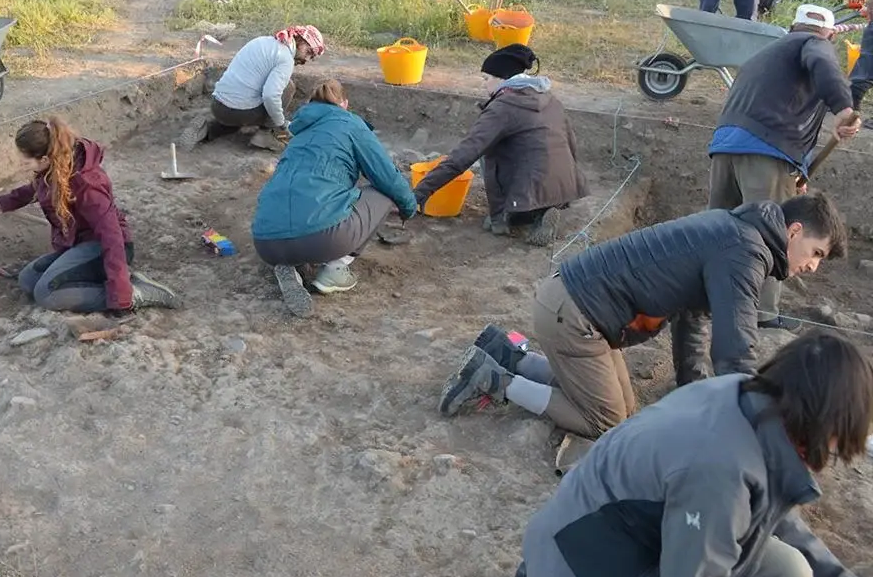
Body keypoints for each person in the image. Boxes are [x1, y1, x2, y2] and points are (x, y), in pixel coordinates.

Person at [507, 330, 873, 577]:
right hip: (588, 574)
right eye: (838, 443)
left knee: (793, 571)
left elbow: (771, 510)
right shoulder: (722, 469)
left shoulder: (749, 398)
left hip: (611, 529)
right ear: (823, 424)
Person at [438, 193, 846, 440]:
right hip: (576, 317)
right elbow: (735, 350)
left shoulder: (737, 233)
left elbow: (693, 319)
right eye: (816, 253)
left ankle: (510, 355)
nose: (813, 266)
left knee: (625, 409)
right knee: (606, 422)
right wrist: (753, 423)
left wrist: (692, 389)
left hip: (573, 306)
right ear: (794, 231)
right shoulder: (745, 252)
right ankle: (496, 381)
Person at [706, 3, 860, 332]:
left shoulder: (767, 54)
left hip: (725, 146)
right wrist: (844, 110)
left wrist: (796, 170)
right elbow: (824, 67)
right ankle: (763, 314)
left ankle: (707, 300)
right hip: (767, 150)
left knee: (720, 231)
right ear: (830, 35)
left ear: (792, 26)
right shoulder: (816, 44)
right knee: (772, 234)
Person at [251, 79, 417, 316]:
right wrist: (409, 207)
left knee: (300, 203)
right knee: (383, 192)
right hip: (321, 238)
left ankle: (290, 264)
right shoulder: (350, 123)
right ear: (344, 104)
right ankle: (335, 269)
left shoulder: (298, 134)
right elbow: (387, 176)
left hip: (266, 242)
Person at [0, 117, 179, 315]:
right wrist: (5, 202)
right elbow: (40, 187)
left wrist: (120, 295)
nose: (21, 165)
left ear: (44, 159)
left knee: (46, 294)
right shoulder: (57, 164)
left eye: (25, 162)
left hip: (105, 247)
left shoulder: (87, 185)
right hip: (78, 242)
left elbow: (112, 236)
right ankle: (93, 282)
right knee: (28, 280)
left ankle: (135, 292)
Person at [414, 44, 588, 247]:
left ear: (502, 79)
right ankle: (545, 210)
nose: (483, 85)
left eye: (486, 79)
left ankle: (503, 216)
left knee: (487, 150)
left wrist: (419, 193)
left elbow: (464, 155)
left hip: (527, 187)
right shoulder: (549, 99)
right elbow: (571, 143)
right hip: (565, 185)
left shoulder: (503, 107)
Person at [181, 25, 325, 153]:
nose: (306, 59)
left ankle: (206, 129)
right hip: (241, 112)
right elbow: (270, 96)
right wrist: (280, 125)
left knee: (234, 122)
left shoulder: (262, 41)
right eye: (308, 52)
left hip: (218, 106)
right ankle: (265, 135)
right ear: (299, 40)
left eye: (311, 56)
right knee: (288, 87)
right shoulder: (285, 58)